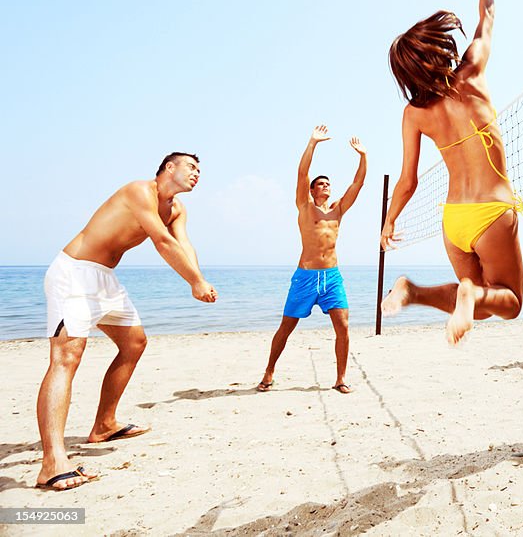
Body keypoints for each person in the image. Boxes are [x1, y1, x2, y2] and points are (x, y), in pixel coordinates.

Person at [36, 152, 217, 491]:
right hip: (74, 273)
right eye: (191, 167)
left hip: (104, 279)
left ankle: (104, 424)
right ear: (168, 168)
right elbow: (162, 243)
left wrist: (199, 278)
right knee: (66, 357)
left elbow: (182, 243)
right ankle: (52, 463)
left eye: (199, 170)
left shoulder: (176, 208)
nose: (197, 174)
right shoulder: (139, 191)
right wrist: (194, 282)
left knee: (134, 343)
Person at [380, 0, 523, 345]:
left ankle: (414, 291)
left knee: (481, 302)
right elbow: (487, 17)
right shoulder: (471, 72)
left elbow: (407, 181)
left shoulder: (413, 114)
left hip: (453, 219)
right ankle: (468, 293)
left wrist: (389, 221)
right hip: (491, 211)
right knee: (509, 301)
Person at [257, 126, 367, 394]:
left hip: (332, 277)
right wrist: (313, 143)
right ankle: (269, 372)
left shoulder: (339, 209)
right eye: (321, 183)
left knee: (343, 327)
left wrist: (363, 156)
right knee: (286, 327)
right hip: (305, 277)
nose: (326, 186)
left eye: (328, 183)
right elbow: (301, 173)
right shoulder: (305, 207)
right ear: (312, 190)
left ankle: (341, 378)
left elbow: (358, 183)